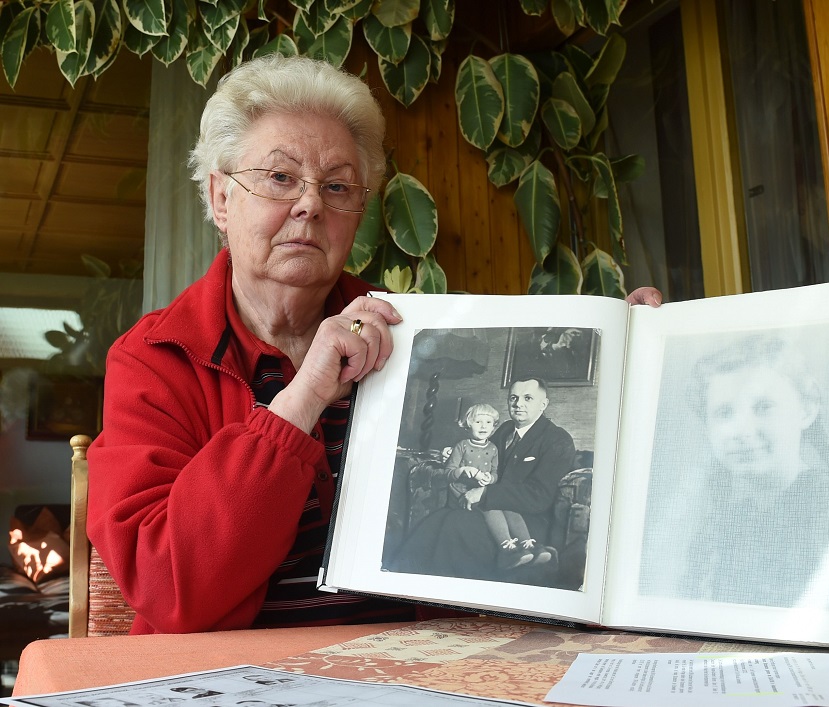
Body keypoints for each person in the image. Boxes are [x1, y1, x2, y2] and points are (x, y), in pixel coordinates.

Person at [88, 52, 664, 635]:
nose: (311, 204)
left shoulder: (409, 334)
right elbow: (168, 584)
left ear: (357, 211)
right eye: (281, 177)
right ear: (220, 198)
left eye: (337, 186)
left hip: (419, 663)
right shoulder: (158, 358)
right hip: (232, 673)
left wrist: (634, 363)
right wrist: (302, 398)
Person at [677, 334, 829, 608]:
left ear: (806, 409)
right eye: (724, 413)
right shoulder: (717, 527)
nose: (741, 431)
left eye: (763, 407)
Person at [387, 377, 574, 583]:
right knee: (438, 518)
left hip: (527, 523)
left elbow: (539, 496)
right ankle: (398, 578)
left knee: (455, 524)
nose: (518, 404)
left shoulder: (558, 439)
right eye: (514, 398)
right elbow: (479, 458)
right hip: (490, 511)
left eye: (528, 398)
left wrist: (485, 494)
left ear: (543, 404)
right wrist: (453, 456)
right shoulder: (503, 430)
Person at [445, 402, 539, 570]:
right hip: (461, 492)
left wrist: (490, 479)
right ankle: (507, 549)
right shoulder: (462, 446)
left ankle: (528, 546)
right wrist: (464, 470)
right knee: (492, 505)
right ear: (468, 424)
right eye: (478, 421)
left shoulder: (493, 448)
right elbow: (449, 473)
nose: (483, 426)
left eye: (488, 422)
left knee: (508, 505)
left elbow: (496, 474)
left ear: (494, 427)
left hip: (482, 490)